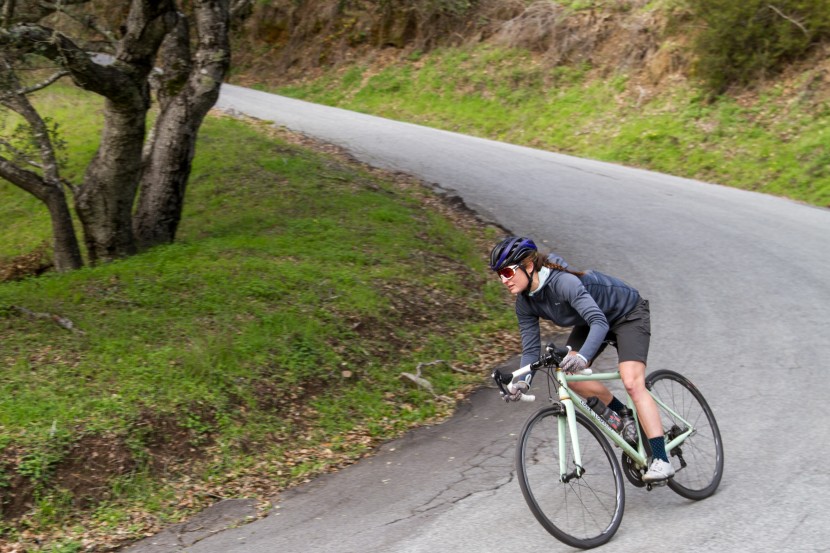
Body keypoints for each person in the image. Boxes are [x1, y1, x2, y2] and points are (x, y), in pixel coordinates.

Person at [490, 235, 674, 483]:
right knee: (569, 374)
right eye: (499, 274)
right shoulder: (524, 303)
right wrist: (522, 382)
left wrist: (584, 357)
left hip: (627, 314)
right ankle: (624, 416)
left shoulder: (564, 283)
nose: (504, 280)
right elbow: (531, 349)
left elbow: (600, 321)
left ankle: (662, 459)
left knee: (632, 381)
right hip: (590, 321)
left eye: (507, 272)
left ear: (529, 266)